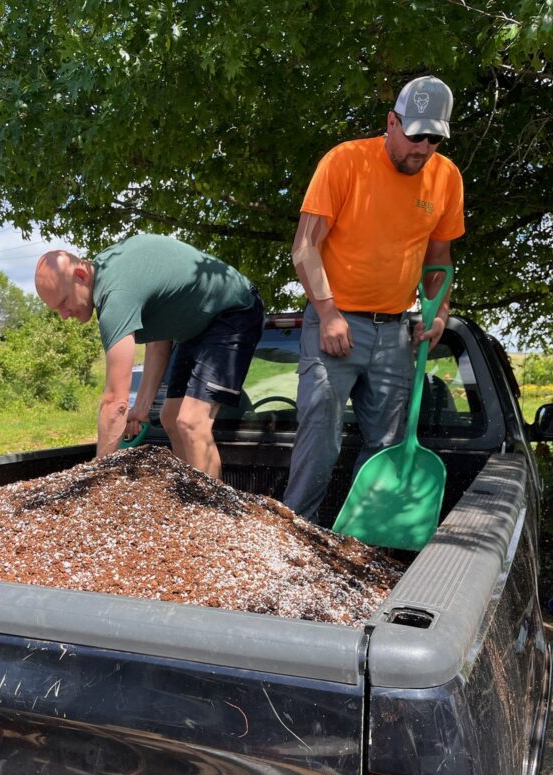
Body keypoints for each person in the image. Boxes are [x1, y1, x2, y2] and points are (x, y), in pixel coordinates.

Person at [284, 75, 465, 522]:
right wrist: (327, 314)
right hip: (337, 322)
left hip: (396, 330)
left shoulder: (446, 179)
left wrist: (438, 314)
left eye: (434, 139)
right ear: (391, 121)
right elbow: (305, 247)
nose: (422, 148)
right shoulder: (345, 162)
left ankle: (360, 541)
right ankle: (294, 533)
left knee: (386, 441)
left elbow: (438, 260)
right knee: (321, 433)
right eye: (415, 135)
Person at [34, 234, 264, 479]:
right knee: (171, 417)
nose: (64, 315)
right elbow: (158, 343)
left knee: (192, 422)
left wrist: (99, 477)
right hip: (195, 325)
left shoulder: (115, 295)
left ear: (80, 276)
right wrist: (142, 408)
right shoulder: (108, 272)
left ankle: (210, 514)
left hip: (233, 310)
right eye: (56, 309)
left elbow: (115, 402)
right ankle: (191, 500)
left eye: (63, 303)